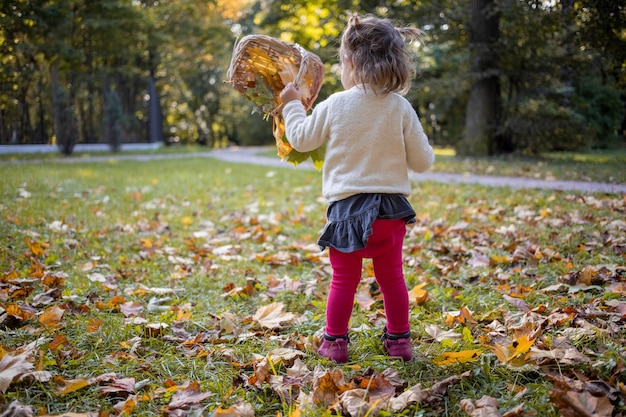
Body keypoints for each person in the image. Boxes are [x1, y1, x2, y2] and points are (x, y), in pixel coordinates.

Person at [279, 14, 435, 363]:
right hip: (391, 215)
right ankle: (399, 342)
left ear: (349, 62)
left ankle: (335, 344)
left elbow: (301, 139)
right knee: (392, 277)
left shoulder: (336, 104)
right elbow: (423, 161)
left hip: (347, 212)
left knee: (343, 280)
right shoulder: (400, 107)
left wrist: (291, 104)